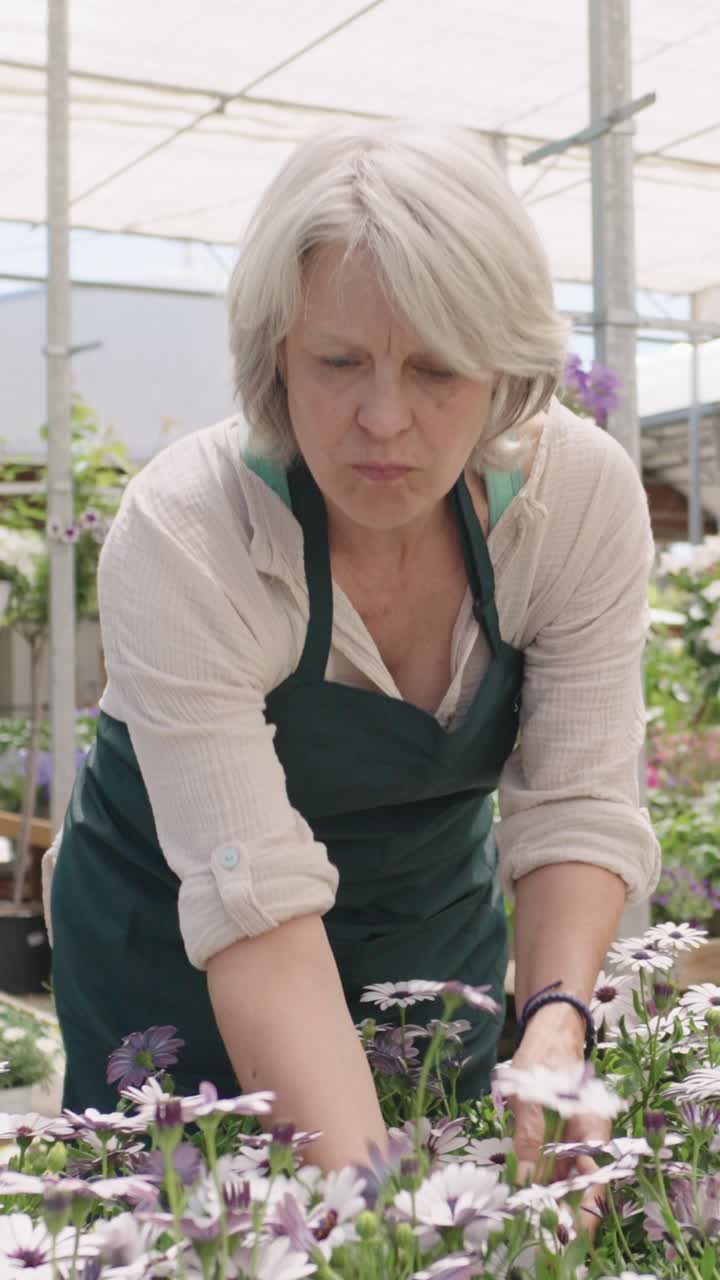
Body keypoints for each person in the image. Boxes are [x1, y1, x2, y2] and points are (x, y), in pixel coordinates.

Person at [44, 121, 660, 1197]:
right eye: (339, 362)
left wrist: (554, 1027)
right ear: (277, 351)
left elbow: (574, 802)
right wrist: (384, 1225)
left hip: (425, 927)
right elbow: (261, 914)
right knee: (217, 1218)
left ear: (508, 370)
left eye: (435, 369)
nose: (384, 417)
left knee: (455, 1166)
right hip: (185, 936)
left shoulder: (578, 506)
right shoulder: (194, 529)